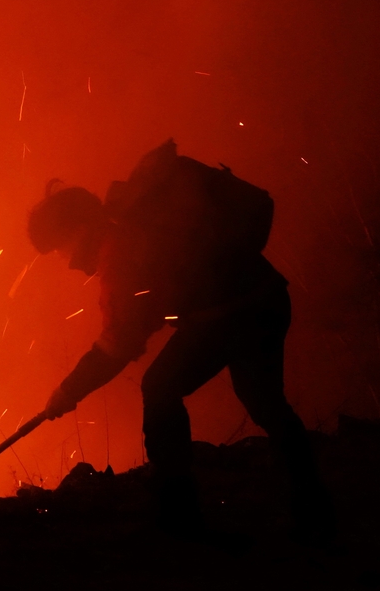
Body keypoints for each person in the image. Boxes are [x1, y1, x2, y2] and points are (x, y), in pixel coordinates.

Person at [28, 139, 333, 540]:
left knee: (162, 387)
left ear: (79, 229)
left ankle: (179, 514)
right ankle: (311, 508)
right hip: (261, 298)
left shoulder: (118, 251)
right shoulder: (131, 232)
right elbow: (146, 314)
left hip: (235, 314)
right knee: (265, 403)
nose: (66, 261)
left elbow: (121, 341)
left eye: (60, 247)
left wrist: (69, 390)